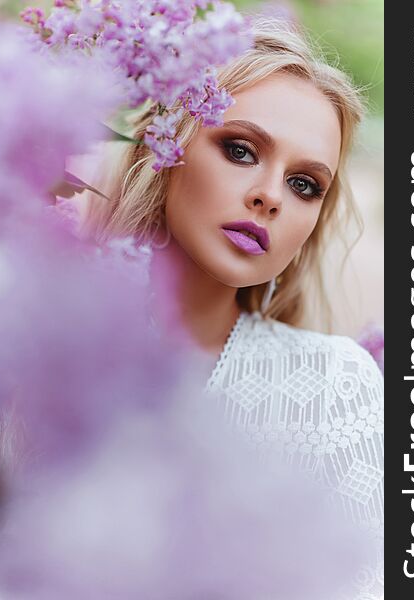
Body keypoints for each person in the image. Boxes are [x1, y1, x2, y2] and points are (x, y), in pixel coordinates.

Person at [85, 15, 383, 599]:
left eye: (305, 185)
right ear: (165, 147)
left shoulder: (334, 386)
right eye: (240, 149)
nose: (270, 195)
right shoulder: (31, 344)